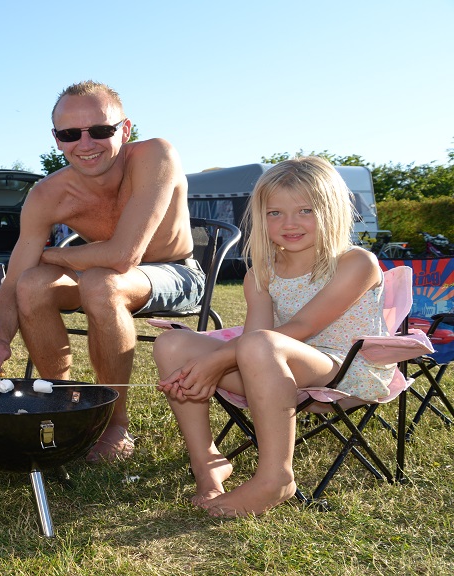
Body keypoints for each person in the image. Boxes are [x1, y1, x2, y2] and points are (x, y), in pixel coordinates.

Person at [0, 80, 200, 462]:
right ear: (56, 139)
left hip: (174, 272)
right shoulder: (47, 195)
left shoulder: (155, 155)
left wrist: (56, 257)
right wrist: (0, 339)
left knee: (100, 282)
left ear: (124, 130)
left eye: (100, 130)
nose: (86, 143)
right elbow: (16, 278)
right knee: (32, 284)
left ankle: (115, 424)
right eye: (69, 134)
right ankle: (65, 408)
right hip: (102, 271)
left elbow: (124, 255)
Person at [154, 156, 396, 517]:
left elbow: (300, 329)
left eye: (305, 210)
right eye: (275, 213)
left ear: (331, 211)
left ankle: (275, 478)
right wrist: (205, 364)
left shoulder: (355, 262)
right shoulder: (261, 273)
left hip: (345, 370)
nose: (289, 223)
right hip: (273, 370)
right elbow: (254, 340)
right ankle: (207, 463)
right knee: (171, 343)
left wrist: (215, 361)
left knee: (261, 344)